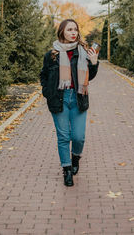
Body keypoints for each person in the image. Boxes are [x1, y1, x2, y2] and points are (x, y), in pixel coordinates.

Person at [40, 19, 99, 186]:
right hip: (59, 99)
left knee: (78, 137)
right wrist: (47, 93)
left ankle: (75, 158)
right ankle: (66, 170)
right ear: (62, 33)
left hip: (78, 97)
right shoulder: (52, 55)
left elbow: (90, 76)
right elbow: (43, 75)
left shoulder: (83, 52)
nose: (73, 32)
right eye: (69, 29)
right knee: (64, 136)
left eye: (75, 29)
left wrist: (94, 63)